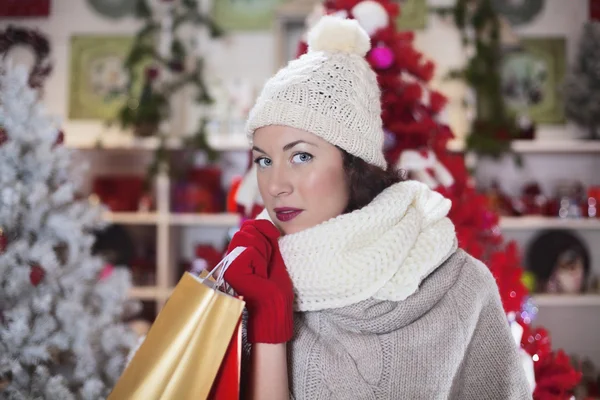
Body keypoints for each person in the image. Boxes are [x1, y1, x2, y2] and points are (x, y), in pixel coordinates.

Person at [222, 15, 532, 400]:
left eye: (301, 156)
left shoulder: (462, 285)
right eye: (264, 160)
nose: (276, 185)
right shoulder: (254, 274)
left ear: (353, 164)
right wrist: (265, 319)